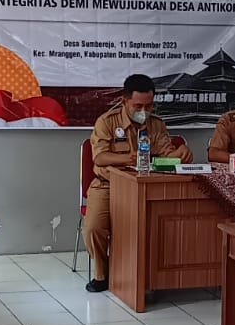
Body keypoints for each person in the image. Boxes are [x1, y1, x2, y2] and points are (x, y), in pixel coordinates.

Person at [82, 73, 191, 294]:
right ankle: (102, 273)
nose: (144, 111)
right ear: (124, 101)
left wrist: (180, 154)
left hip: (144, 187)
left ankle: (147, 275)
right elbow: (99, 158)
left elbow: (166, 154)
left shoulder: (156, 124)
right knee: (93, 228)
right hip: (108, 185)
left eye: (148, 106)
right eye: (138, 106)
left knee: (159, 224)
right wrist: (126, 158)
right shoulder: (107, 122)